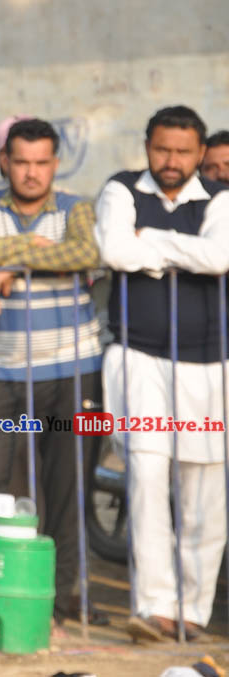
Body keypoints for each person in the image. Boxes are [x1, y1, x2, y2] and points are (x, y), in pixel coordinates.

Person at [0, 117, 105, 628]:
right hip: (1, 370)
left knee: (68, 486)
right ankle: (9, 583)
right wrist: (32, 253)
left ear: (55, 164)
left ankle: (63, 597)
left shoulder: (77, 208)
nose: (32, 173)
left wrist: (12, 266)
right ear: (5, 162)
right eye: (22, 162)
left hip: (74, 368)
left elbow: (88, 251)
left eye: (41, 163)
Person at [95, 105, 229, 643]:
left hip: (211, 366)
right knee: (147, 479)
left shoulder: (220, 198)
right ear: (147, 146)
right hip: (138, 359)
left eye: (182, 151)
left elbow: (219, 257)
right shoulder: (121, 188)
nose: (171, 161)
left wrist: (149, 241)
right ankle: (156, 609)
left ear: (200, 153)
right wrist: (181, 253)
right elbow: (113, 248)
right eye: (161, 149)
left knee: (205, 491)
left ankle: (193, 612)